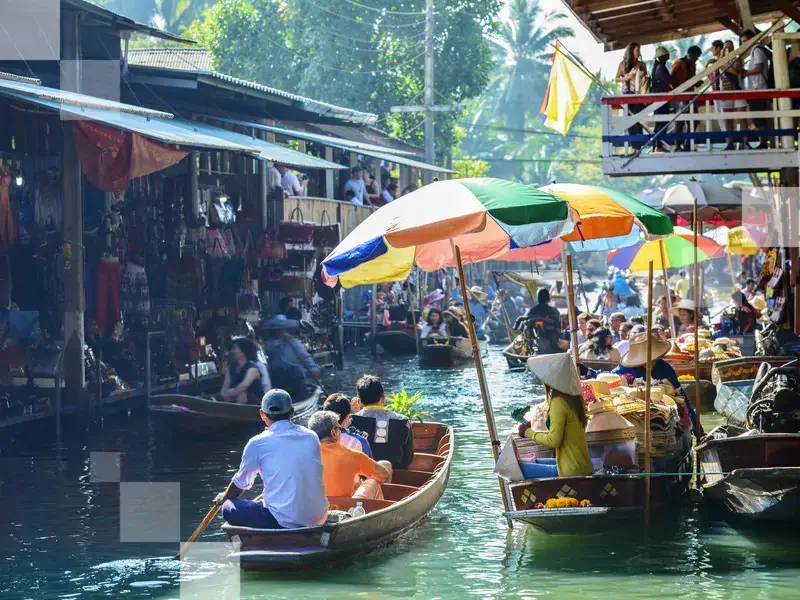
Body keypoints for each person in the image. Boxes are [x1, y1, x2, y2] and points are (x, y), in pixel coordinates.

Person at [214, 389, 328, 529]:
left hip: (283, 520)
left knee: (228, 507)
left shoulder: (257, 442)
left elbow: (241, 483)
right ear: (291, 412)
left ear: (262, 414)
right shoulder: (312, 436)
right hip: (318, 517)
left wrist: (224, 497)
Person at [517, 353, 593, 478]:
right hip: (582, 465)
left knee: (518, 467)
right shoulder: (575, 399)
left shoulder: (558, 402)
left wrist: (527, 432)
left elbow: (554, 441)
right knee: (530, 462)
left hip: (571, 471)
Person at [613, 333, 696, 429]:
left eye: (654, 359)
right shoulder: (622, 371)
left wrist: (697, 425)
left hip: (665, 413)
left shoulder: (663, 367)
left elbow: (681, 395)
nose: (651, 363)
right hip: (634, 415)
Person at [309, 410, 392, 500]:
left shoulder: (303, 456)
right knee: (373, 482)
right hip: (345, 509)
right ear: (334, 433)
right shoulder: (351, 455)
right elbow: (383, 474)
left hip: (311, 509)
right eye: (340, 429)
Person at [351, 375, 415, 469]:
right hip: (395, 473)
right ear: (383, 398)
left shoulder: (351, 421)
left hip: (362, 475)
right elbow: (408, 457)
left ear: (359, 401)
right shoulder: (403, 421)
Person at [263, 314, 320, 400]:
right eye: (278, 329)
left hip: (295, 378)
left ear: (286, 329)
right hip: (277, 378)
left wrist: (313, 369)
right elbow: (268, 348)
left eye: (282, 329)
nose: (280, 331)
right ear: (275, 330)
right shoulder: (269, 344)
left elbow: (306, 358)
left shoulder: (295, 343)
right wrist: (282, 339)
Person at [740, 29, 771, 149]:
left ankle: (763, 142)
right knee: (758, 117)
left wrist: (746, 73)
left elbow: (759, 68)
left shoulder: (756, 50)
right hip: (756, 88)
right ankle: (763, 141)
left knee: (759, 117)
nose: (744, 43)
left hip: (758, 88)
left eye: (746, 41)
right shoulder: (755, 51)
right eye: (742, 42)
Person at [615, 42, 648, 151]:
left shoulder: (641, 64)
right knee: (630, 121)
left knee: (638, 120)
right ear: (631, 51)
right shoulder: (623, 64)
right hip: (627, 95)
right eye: (637, 50)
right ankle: (635, 147)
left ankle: (638, 147)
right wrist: (627, 78)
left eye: (639, 50)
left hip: (639, 94)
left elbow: (645, 79)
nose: (639, 53)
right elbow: (616, 79)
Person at [670, 45, 702, 151]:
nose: (696, 60)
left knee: (694, 121)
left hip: (690, 95)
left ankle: (688, 144)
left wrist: (697, 82)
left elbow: (692, 79)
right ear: (690, 55)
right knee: (679, 121)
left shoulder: (692, 65)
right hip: (680, 96)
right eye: (696, 57)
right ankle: (678, 145)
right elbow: (670, 79)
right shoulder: (679, 63)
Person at [219, 337, 264, 405]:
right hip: (234, 398)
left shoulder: (252, 368)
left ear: (243, 352)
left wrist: (231, 393)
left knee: (241, 395)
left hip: (255, 402)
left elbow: (244, 385)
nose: (232, 351)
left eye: (234, 348)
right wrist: (224, 394)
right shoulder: (231, 367)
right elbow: (225, 385)